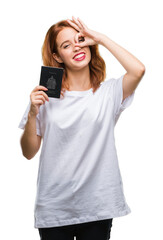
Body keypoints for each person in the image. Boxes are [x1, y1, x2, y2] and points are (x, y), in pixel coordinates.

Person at [18, 16, 145, 240]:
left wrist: (101, 38)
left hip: (97, 206)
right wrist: (31, 114)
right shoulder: (44, 97)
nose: (77, 46)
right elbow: (28, 152)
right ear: (57, 56)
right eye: (66, 45)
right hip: (55, 208)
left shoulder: (109, 92)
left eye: (80, 40)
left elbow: (138, 70)